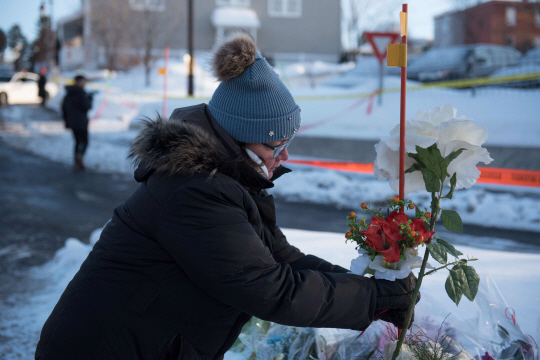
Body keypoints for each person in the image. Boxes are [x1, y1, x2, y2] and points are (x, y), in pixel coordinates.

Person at [36, 34, 419, 360]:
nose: (284, 156)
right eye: (277, 144)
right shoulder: (194, 190)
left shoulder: (230, 178)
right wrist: (373, 299)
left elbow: (281, 258)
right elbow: (270, 288)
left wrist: (376, 291)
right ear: (239, 137)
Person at [61, 75, 93, 171]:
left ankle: (77, 160)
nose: (84, 84)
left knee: (77, 141)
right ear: (78, 82)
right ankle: (80, 157)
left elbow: (63, 108)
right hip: (82, 122)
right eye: (83, 82)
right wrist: (90, 99)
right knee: (85, 141)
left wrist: (66, 121)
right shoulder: (81, 94)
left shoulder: (68, 93)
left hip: (72, 123)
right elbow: (87, 106)